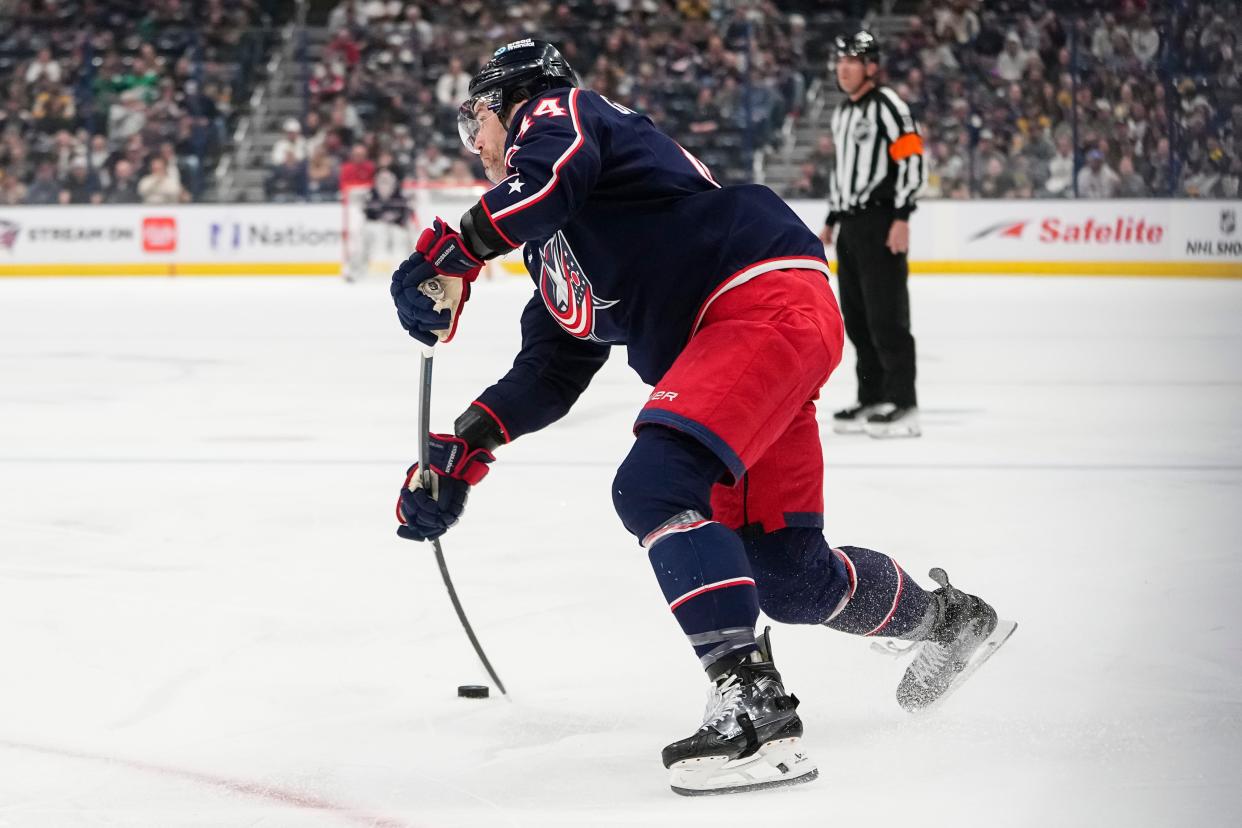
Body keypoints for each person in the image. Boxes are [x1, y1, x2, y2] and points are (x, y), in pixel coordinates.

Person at [389, 40, 1014, 796]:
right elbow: (551, 369)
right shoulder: (553, 241)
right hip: (742, 345)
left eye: (474, 122)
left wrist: (456, 247)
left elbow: (545, 177)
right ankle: (948, 621)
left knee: (654, 485)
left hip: (754, 302)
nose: (473, 146)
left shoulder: (560, 115)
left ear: (509, 101)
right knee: (789, 577)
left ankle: (754, 712)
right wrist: (463, 447)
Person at [820, 31, 925, 438]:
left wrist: (902, 216)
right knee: (858, 317)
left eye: (852, 60)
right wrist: (832, 219)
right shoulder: (843, 113)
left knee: (887, 316)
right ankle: (874, 396)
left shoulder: (889, 106)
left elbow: (912, 159)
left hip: (882, 222)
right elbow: (843, 172)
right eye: (840, 60)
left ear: (871, 67)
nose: (843, 67)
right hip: (850, 225)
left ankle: (904, 403)